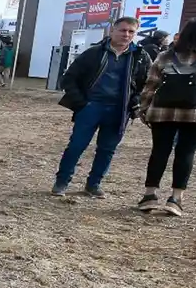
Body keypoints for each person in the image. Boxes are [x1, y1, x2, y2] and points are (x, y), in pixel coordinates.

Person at [135, 17, 196, 216]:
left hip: (163, 110)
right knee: (186, 152)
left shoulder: (165, 55)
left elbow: (150, 84)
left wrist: (144, 109)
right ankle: (175, 199)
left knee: (159, 151)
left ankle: (149, 195)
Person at [50, 16, 150, 198]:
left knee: (107, 149)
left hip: (119, 110)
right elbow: (68, 78)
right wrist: (82, 103)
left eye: (131, 31)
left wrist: (135, 101)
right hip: (91, 107)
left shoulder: (140, 57)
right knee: (77, 146)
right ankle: (62, 182)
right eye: (122, 30)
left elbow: (147, 84)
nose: (126, 34)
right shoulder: (94, 53)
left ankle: (94, 185)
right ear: (112, 30)